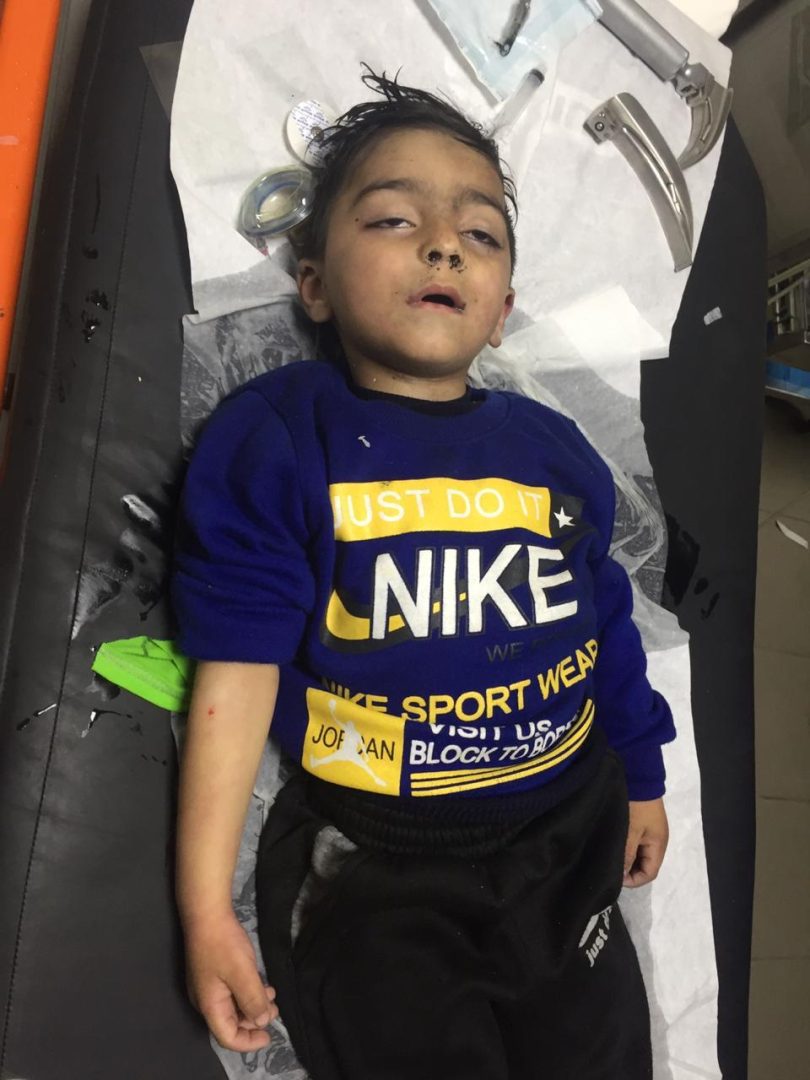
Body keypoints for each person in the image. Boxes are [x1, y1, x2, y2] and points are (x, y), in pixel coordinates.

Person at [172, 70, 675, 1080]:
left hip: (567, 825)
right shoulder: (280, 439)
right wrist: (203, 907)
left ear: (501, 313)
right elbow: (237, 670)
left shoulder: (552, 446)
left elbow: (605, 618)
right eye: (395, 219)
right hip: (377, 863)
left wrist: (644, 774)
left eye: (479, 233)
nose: (444, 244)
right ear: (314, 282)